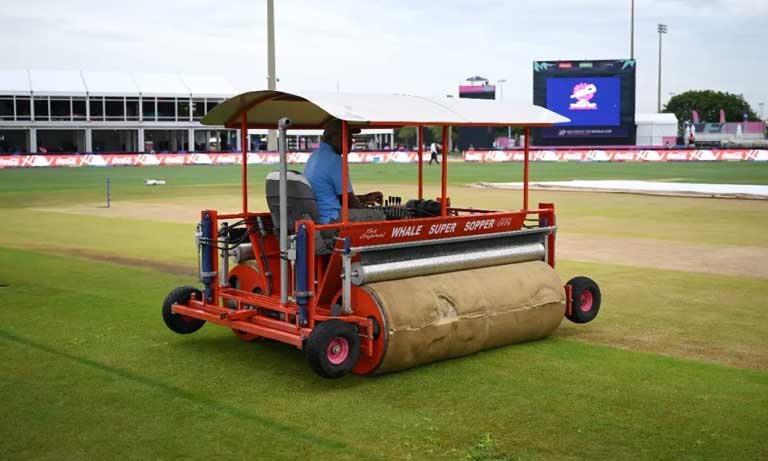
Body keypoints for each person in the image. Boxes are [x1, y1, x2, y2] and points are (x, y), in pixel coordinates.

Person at [303, 119, 384, 224]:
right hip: (330, 219)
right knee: (379, 216)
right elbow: (349, 202)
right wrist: (366, 212)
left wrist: (366, 198)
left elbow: (338, 197)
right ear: (333, 138)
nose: (350, 141)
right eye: (346, 137)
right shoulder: (335, 160)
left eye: (351, 138)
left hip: (319, 215)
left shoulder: (315, 155)